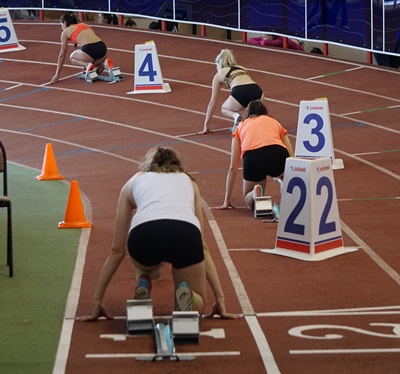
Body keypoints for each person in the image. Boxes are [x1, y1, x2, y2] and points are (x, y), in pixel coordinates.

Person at [76, 146, 239, 321]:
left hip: (144, 237)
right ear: (177, 165)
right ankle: (189, 296)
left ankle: (144, 278)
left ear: (147, 165)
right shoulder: (189, 182)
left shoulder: (134, 181)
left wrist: (97, 300)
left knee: (145, 262)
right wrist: (220, 298)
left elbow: (116, 251)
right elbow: (203, 245)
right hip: (184, 235)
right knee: (196, 303)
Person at [220, 100, 294, 211]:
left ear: (247, 114)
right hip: (277, 152)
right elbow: (291, 156)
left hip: (253, 157)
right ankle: (284, 183)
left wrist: (227, 199)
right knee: (285, 175)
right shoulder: (274, 122)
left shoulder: (240, 126)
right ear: (265, 112)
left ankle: (255, 194)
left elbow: (233, 167)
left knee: (249, 199)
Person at [200, 49, 264, 134]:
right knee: (250, 111)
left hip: (240, 92)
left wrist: (206, 125)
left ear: (219, 63)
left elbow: (212, 103)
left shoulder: (219, 75)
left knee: (224, 108)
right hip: (258, 91)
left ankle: (236, 117)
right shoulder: (242, 68)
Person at [50, 13, 115, 84]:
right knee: (96, 69)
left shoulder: (65, 32)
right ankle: (104, 64)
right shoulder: (84, 25)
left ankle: (88, 66)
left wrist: (57, 74)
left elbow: (62, 55)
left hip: (90, 49)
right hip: (103, 49)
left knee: (72, 57)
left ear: (65, 23)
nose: (62, 27)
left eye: (61, 25)